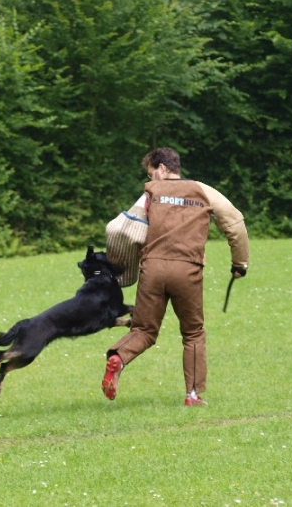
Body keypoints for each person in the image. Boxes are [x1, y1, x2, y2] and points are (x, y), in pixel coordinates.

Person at [101, 147, 250, 406]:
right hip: (187, 270)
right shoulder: (203, 190)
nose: (150, 179)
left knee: (144, 330)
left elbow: (123, 229)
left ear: (162, 168)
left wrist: (119, 267)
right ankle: (192, 395)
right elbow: (234, 223)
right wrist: (240, 263)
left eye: (151, 173)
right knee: (193, 333)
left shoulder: (150, 193)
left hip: (153, 268)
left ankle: (118, 358)